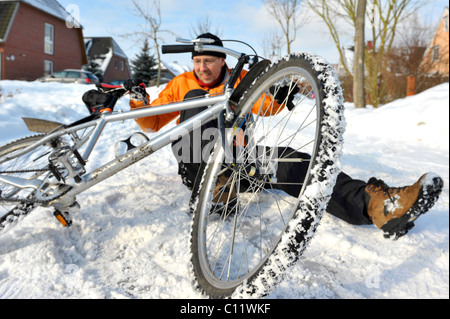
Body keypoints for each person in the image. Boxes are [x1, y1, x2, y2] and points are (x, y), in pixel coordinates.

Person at [124, 33, 443, 239]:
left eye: (209, 60)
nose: (203, 67)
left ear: (223, 59)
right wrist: (139, 101)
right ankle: (216, 187)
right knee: (199, 105)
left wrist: (278, 92)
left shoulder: (241, 79)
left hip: (240, 162)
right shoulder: (181, 83)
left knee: (294, 162)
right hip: (198, 163)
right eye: (197, 61)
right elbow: (153, 124)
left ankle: (375, 206)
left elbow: (266, 107)